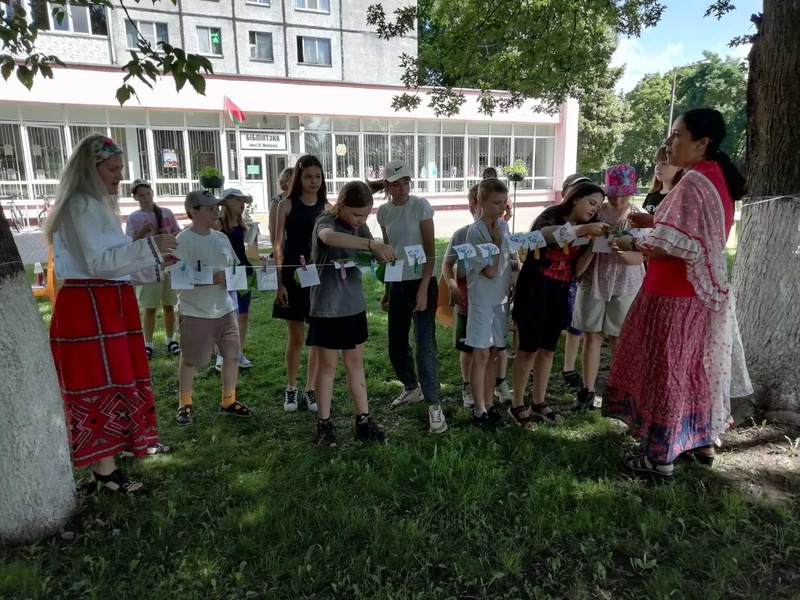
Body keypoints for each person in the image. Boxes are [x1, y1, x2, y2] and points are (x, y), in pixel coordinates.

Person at [602, 108, 752, 478]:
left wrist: (634, 241)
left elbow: (673, 245)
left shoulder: (694, 182)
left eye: (677, 135)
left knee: (665, 372)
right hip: (695, 295)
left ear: (702, 142)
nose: (669, 142)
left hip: (671, 296)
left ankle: (659, 458)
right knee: (691, 370)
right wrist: (654, 221)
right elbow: (694, 231)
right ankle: (700, 443)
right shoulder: (712, 175)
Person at [46, 134, 177, 494]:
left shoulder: (92, 204)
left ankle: (113, 455)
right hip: (91, 306)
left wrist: (153, 256)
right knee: (99, 380)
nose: (120, 176)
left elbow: (111, 264)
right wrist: (151, 247)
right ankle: (104, 470)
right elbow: (99, 263)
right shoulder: (80, 205)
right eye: (113, 169)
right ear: (92, 168)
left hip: (104, 302)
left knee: (116, 377)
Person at [509, 182, 610, 427]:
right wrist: (582, 229)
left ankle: (538, 402)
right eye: (591, 202)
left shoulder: (586, 230)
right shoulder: (551, 215)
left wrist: (593, 247)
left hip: (559, 292)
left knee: (548, 350)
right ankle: (517, 404)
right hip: (533, 291)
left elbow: (576, 271)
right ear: (575, 198)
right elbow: (545, 235)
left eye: (598, 207)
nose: (593, 209)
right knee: (528, 350)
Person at [308, 181, 397, 446]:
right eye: (357, 214)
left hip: (353, 306)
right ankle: (324, 422)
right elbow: (328, 238)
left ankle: (363, 420)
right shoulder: (326, 220)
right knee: (327, 366)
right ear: (341, 206)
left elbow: (372, 251)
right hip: (327, 307)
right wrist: (370, 244)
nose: (361, 220)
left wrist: (382, 251)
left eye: (365, 215)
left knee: (355, 362)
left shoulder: (360, 226)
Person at [372, 159, 448, 434]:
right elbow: (389, 253)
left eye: (406, 181)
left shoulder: (420, 206)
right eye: (396, 183)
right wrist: (387, 290)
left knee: (425, 343)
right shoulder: (383, 212)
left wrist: (423, 289)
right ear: (387, 186)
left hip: (422, 282)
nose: (403, 187)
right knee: (396, 342)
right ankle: (411, 387)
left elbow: (430, 252)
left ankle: (434, 403)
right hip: (398, 283)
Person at [172, 190, 254, 425]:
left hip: (225, 309)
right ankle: (185, 403)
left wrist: (239, 279)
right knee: (191, 359)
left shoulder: (221, 238)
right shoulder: (182, 240)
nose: (217, 212)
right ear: (193, 212)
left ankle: (229, 400)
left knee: (232, 355)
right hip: (195, 311)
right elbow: (176, 276)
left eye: (217, 207)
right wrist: (211, 278)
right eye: (210, 208)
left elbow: (234, 266)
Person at [571, 165, 645, 412]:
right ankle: (587, 390)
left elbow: (641, 257)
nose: (618, 200)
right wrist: (592, 242)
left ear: (631, 192)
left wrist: (621, 250)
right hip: (594, 278)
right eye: (613, 194)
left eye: (623, 195)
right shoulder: (596, 213)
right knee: (592, 335)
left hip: (626, 282)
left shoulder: (639, 216)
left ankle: (618, 391)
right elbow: (578, 242)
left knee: (619, 337)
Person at [274, 155, 328, 413]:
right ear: (298, 178)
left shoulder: (327, 208)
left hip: (319, 278)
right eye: (308, 176)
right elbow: (277, 244)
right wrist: (279, 283)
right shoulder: (285, 205)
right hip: (292, 275)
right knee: (295, 336)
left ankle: (311, 388)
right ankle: (292, 387)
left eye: (317, 176)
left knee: (316, 338)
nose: (313, 181)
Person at [466, 178, 520, 430]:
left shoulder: (503, 226)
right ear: (481, 201)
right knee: (481, 355)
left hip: (500, 300)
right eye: (496, 203)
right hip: (482, 301)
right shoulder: (475, 232)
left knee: (495, 354)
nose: (502, 208)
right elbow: (488, 271)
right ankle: (478, 410)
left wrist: (514, 279)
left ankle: (488, 404)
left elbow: (509, 261)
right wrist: (497, 242)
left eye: (504, 202)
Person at [125, 178, 182, 359]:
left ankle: (171, 339)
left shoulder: (166, 213)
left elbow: (178, 232)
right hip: (148, 266)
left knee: (169, 305)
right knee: (150, 307)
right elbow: (130, 245)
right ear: (135, 198)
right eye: (141, 195)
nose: (146, 197)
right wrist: (142, 232)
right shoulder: (134, 218)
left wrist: (169, 235)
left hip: (169, 263)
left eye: (148, 193)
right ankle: (147, 343)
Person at [442, 185, 479, 408]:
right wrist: (453, 286)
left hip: (492, 299)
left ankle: (492, 384)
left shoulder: (501, 233)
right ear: (472, 207)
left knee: (491, 348)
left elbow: (513, 261)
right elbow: (447, 264)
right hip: (466, 297)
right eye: (479, 204)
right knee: (466, 346)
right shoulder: (461, 235)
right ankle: (467, 385)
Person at [557, 173, 592, 388]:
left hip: (576, 279)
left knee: (575, 324)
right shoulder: (554, 216)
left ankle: (568, 368)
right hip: (553, 280)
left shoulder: (589, 218)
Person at [216, 188, 255, 371]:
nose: (242, 204)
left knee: (243, 314)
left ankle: (238, 352)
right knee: (226, 315)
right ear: (227, 202)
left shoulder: (242, 224)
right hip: (226, 273)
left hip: (243, 272)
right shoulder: (218, 224)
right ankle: (221, 355)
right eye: (238, 200)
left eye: (243, 200)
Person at [642, 146, 683, 214]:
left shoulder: (680, 196)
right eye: (656, 163)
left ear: (679, 167)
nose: (658, 168)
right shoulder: (652, 194)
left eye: (664, 164)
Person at [269, 167, 294, 247]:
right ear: (286, 182)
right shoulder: (277, 200)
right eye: (293, 180)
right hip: (286, 246)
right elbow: (273, 228)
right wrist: (276, 249)